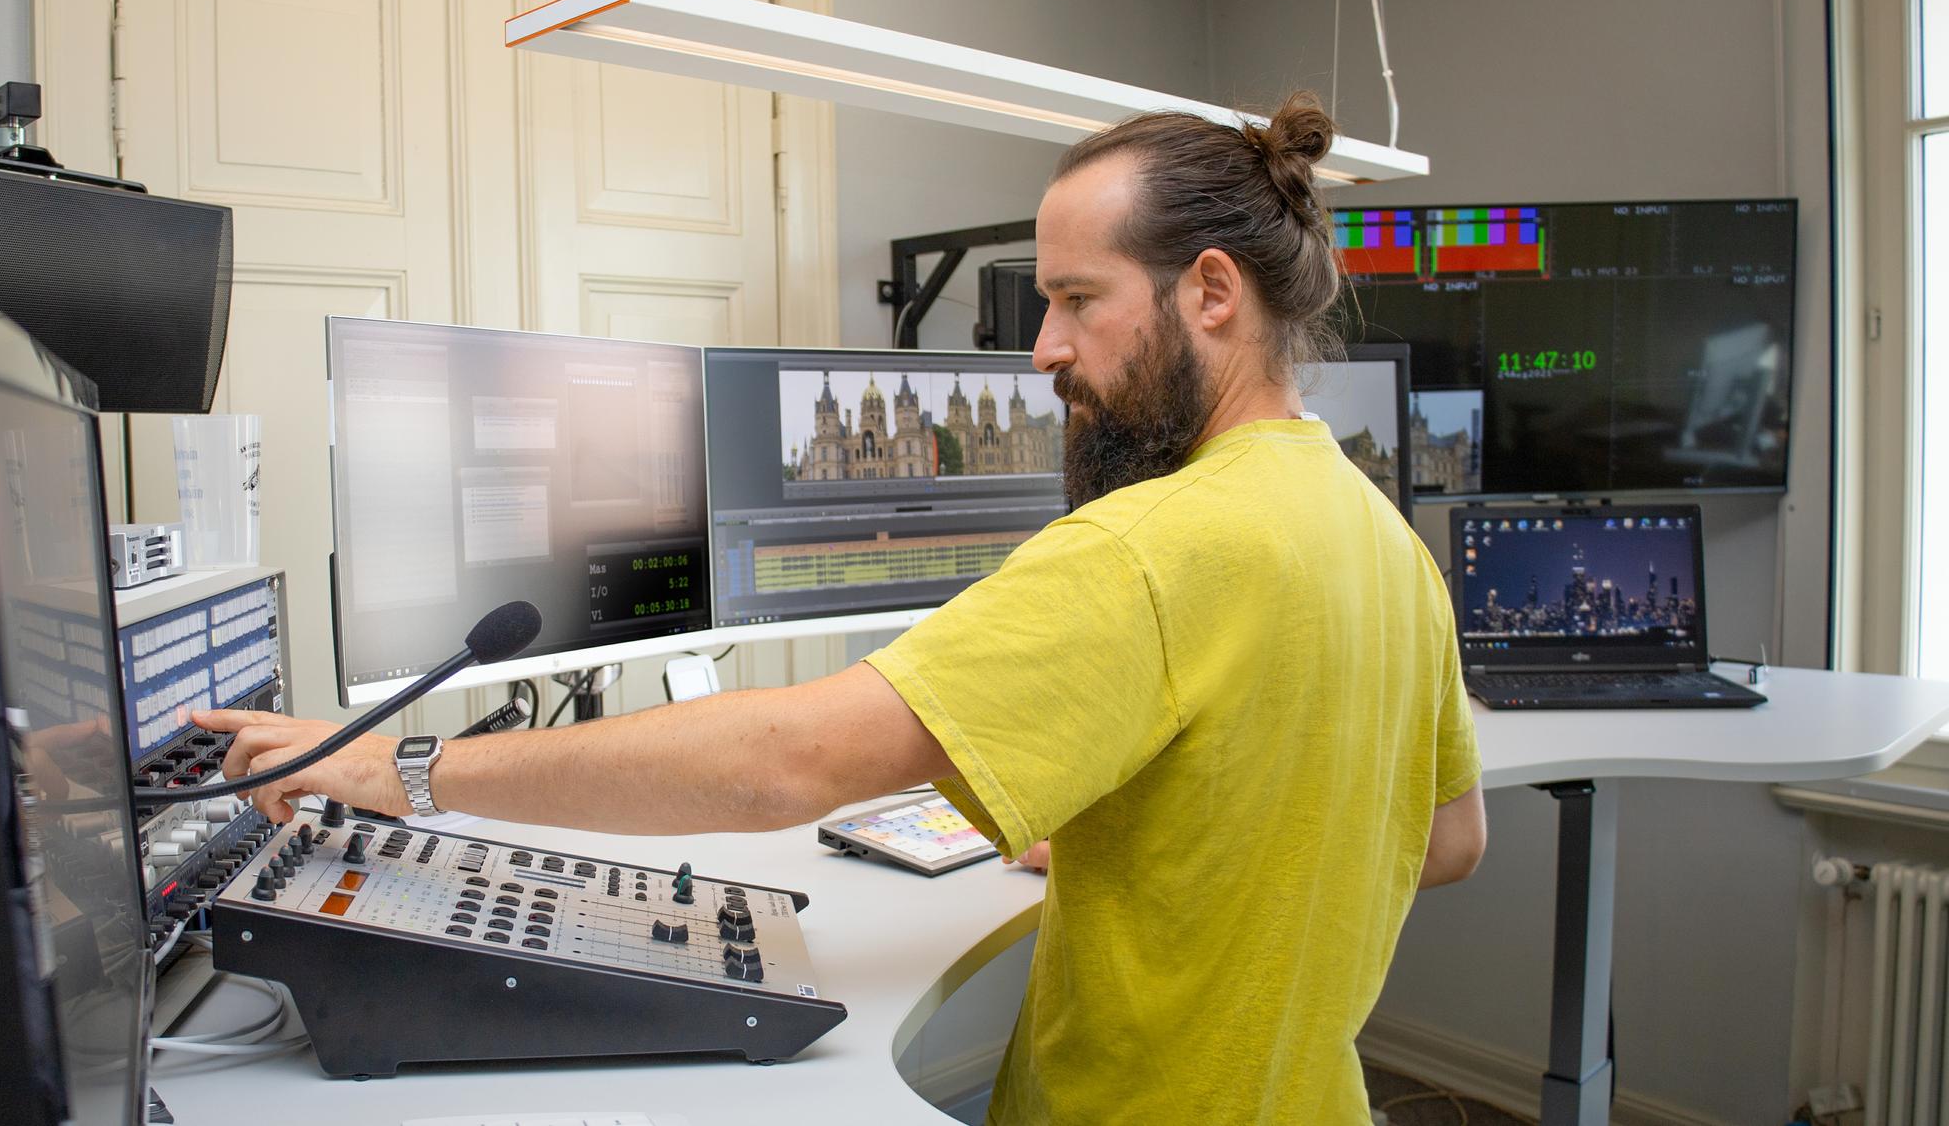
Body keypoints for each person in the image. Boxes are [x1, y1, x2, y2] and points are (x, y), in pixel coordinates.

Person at [195, 92, 1485, 1125]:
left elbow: (788, 763)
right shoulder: (1382, 539)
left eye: (1077, 301)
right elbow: (1444, 839)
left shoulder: (1147, 547)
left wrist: (401, 770)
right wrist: (1155, 834)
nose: (1041, 350)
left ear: (1212, 292)